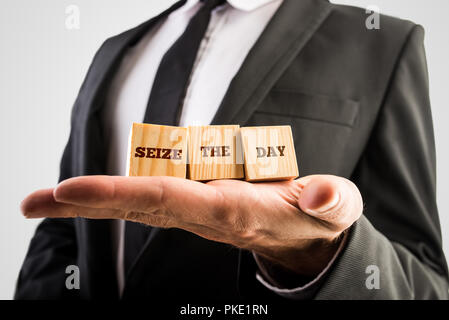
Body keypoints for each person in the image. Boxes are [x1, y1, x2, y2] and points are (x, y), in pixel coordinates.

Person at [15, 0, 449, 300]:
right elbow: (65, 227)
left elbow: (427, 282)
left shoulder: (382, 42)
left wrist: (317, 254)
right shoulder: (115, 49)